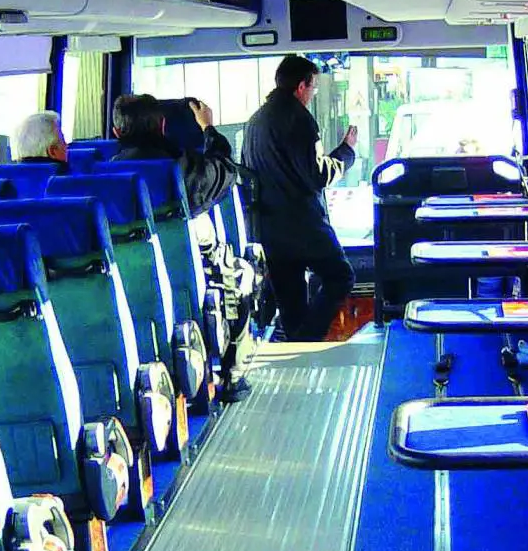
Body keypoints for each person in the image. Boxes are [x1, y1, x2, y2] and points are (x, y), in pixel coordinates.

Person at [112, 94, 253, 402]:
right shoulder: (182, 170)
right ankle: (233, 376)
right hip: (189, 281)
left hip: (128, 288)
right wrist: (208, 129)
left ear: (117, 132)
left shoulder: (101, 179)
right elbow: (226, 170)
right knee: (242, 274)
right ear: (162, 126)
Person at [241, 55, 357, 342]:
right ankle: (308, 338)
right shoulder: (299, 120)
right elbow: (317, 175)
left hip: (268, 228)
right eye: (313, 87)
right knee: (341, 276)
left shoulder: (255, 122)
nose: (313, 94)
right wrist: (346, 151)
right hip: (302, 226)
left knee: (292, 304)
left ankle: (299, 347)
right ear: (301, 86)